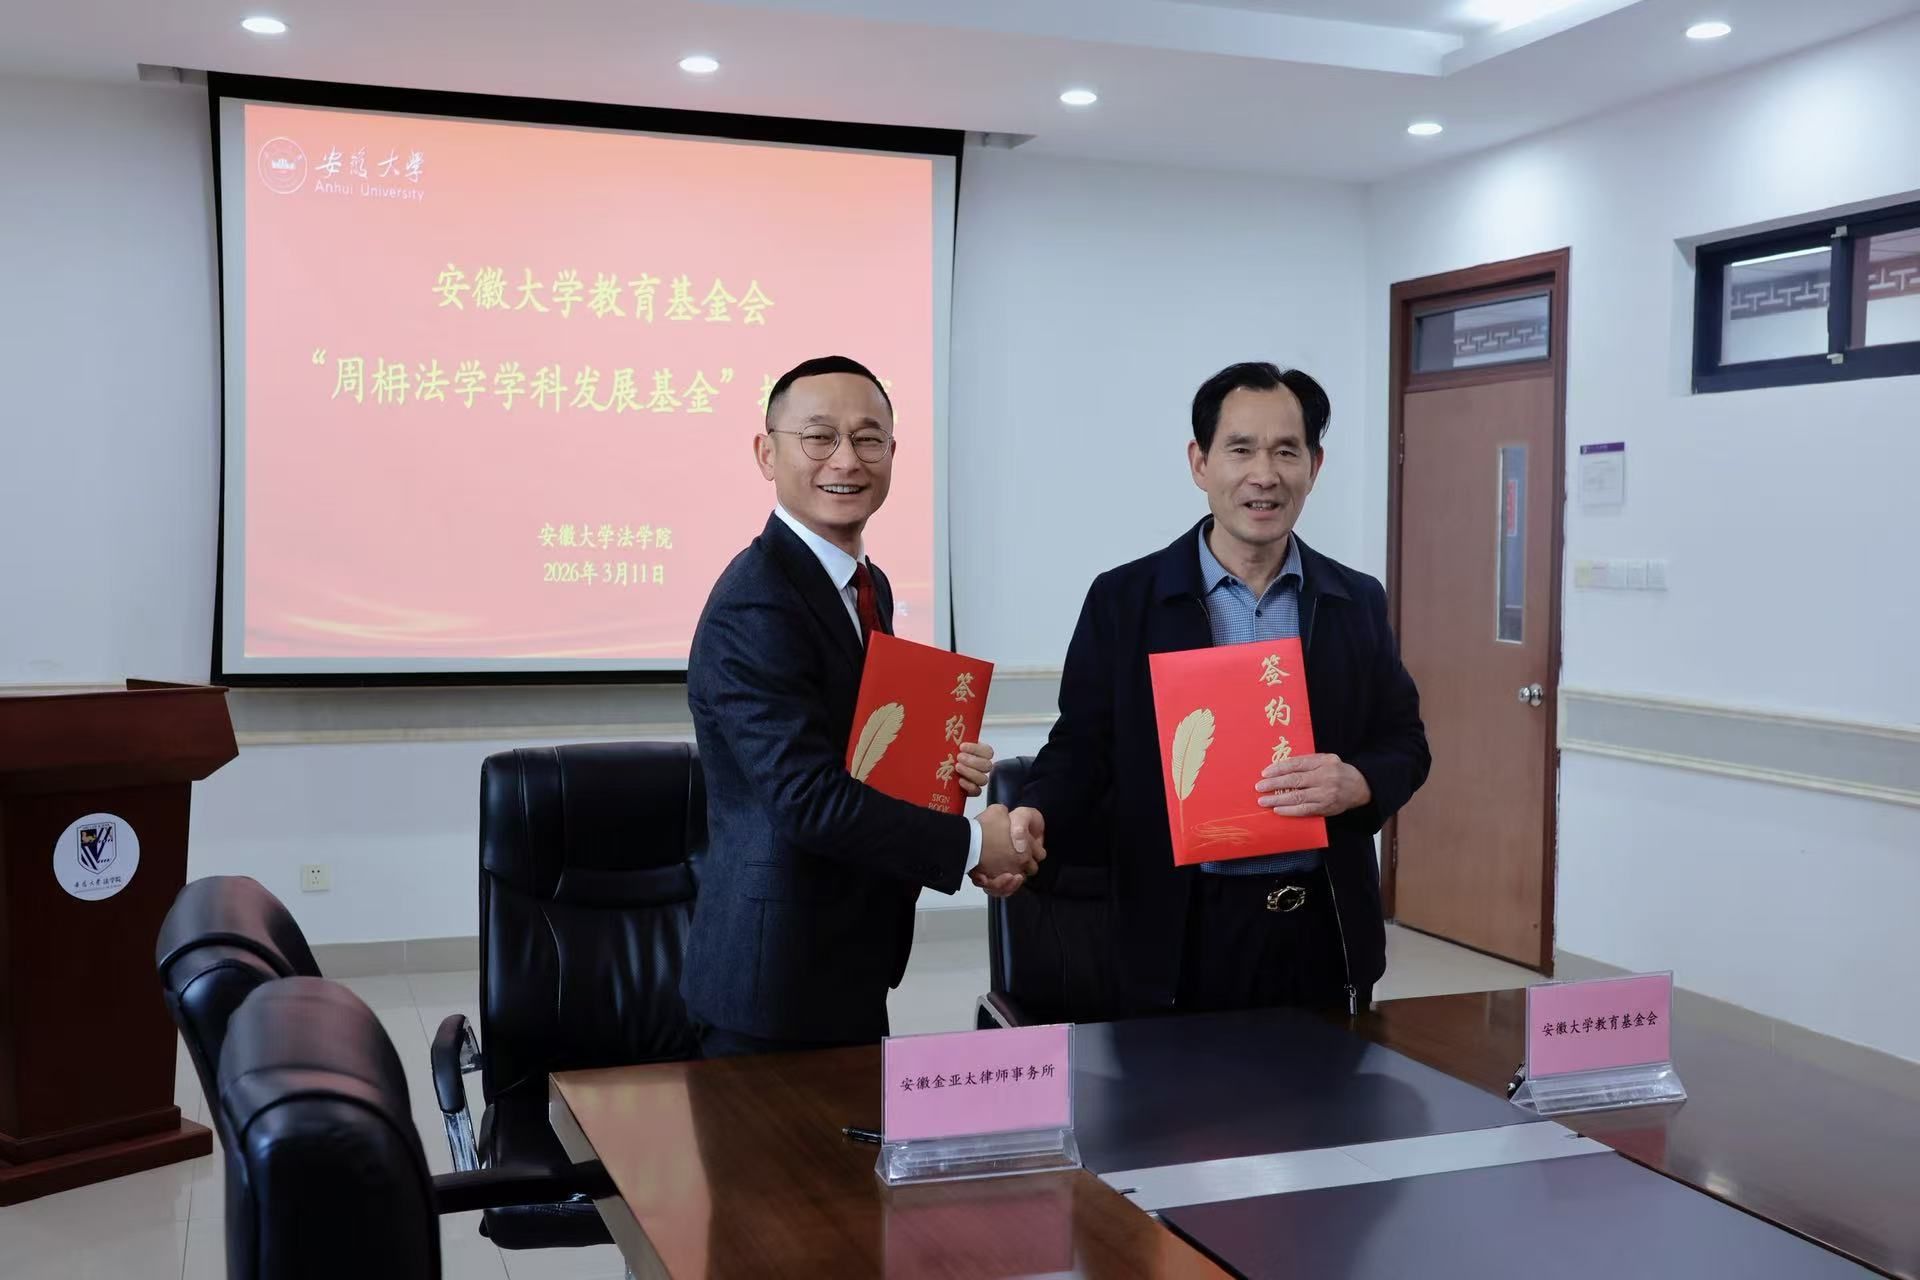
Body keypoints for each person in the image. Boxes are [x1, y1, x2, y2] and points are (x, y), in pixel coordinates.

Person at [1011, 362, 1429, 1017]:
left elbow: (1405, 741)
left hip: (1321, 929)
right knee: (1173, 1087)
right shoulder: (1126, 600)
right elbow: (1082, 747)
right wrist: (1034, 811)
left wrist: (1359, 782)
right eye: (1240, 450)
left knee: (1324, 1085)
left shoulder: (1353, 601)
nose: (1264, 474)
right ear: (1200, 463)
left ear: (1314, 467)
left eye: (1286, 451)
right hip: (1180, 931)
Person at [682, 355, 1038, 1057]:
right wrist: (972, 844)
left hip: (844, 956)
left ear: (893, 454)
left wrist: (940, 772)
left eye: (869, 439)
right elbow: (808, 799)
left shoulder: (862, 584)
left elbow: (860, 750)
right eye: (819, 437)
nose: (845, 459)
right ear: (767, 453)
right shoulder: (758, 601)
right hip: (775, 988)